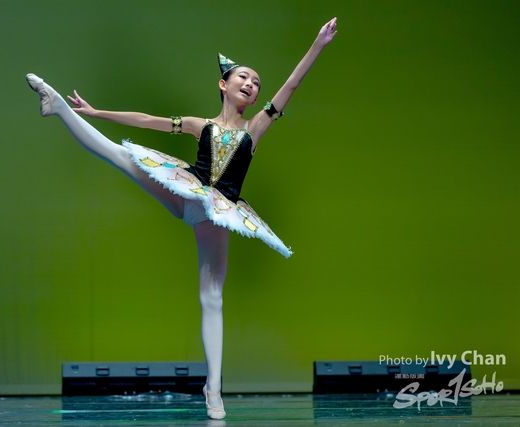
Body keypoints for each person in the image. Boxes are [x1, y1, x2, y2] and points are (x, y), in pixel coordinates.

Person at [26, 17, 337, 420]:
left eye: (257, 82)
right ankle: (57, 105)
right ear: (224, 85)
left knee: (212, 298)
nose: (252, 84)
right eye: (244, 77)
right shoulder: (199, 125)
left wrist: (318, 44)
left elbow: (291, 85)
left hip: (218, 212)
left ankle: (214, 388)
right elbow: (147, 120)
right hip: (185, 191)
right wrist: (96, 111)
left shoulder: (256, 128)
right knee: (118, 155)